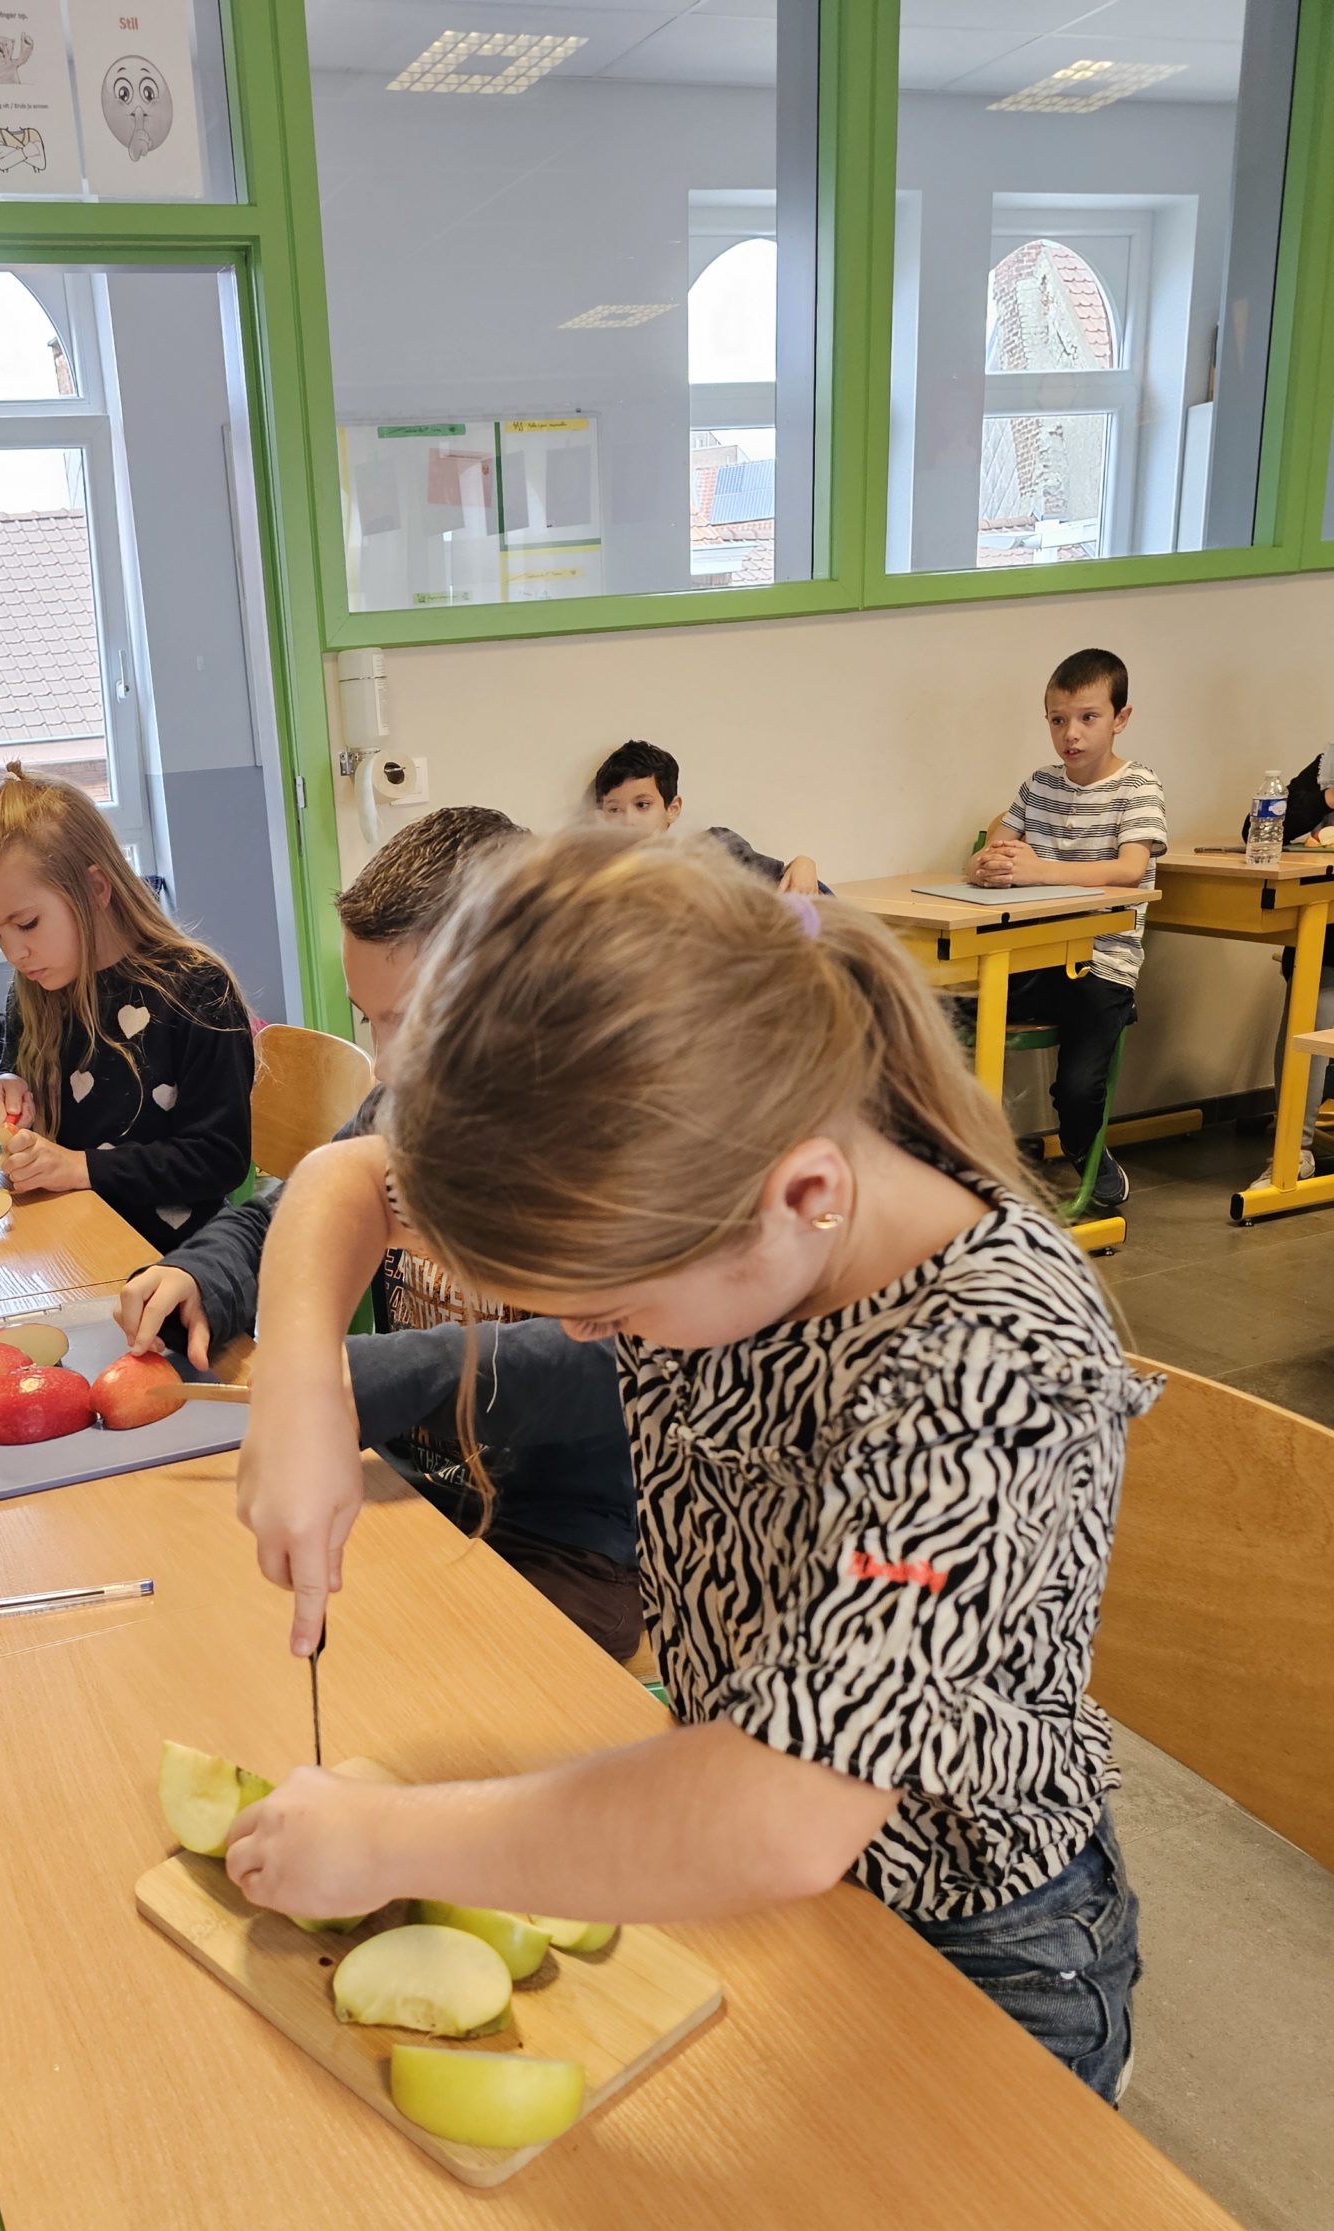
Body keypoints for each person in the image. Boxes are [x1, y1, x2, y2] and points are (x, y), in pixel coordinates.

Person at [227, 833, 1156, 2104]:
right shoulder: (718, 1168)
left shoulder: (993, 1359)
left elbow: (781, 1811)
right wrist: (303, 1385)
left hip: (975, 1939)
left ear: (804, 1197)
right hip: (752, 1863)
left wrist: (385, 1840)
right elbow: (351, 1178)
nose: (589, 1335)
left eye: (613, 1311)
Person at [118, 806, 642, 1658]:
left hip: (564, 1537)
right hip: (408, 1480)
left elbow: (621, 1357)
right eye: (372, 1020)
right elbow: (302, 1204)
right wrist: (205, 1275)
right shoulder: (409, 1098)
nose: (390, 1063)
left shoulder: (613, 1134)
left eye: (417, 1019)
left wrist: (380, 1374)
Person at [0, 764, 254, 1251]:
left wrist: (80, 1168)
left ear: (95, 889)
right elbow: (16, 1072)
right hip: (72, 1242)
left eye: (26, 924)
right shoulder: (36, 988)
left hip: (176, 1263)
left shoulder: (197, 990)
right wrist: (6, 1084)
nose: (14, 953)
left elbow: (219, 1159)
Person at [966, 647, 1166, 1212]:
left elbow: (1129, 870)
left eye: (1087, 718)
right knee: (936, 1015)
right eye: (1057, 720)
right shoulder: (1039, 785)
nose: (1070, 734)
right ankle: (965, 1158)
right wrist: (984, 866)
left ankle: (1086, 1151)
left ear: (1120, 718)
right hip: (1033, 957)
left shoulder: (1138, 786)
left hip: (1102, 965)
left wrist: (1039, 871)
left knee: (1076, 1088)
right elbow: (995, 843)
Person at [1240, 748, 1334, 1180]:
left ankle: (1295, 1145)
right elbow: (1255, 830)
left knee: (1318, 985)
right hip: (1325, 934)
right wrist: (1326, 799)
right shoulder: (1327, 766)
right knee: (1313, 978)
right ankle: (1294, 1144)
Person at [592, 738, 821, 895]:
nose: (628, 821)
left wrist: (803, 864)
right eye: (614, 809)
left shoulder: (717, 847)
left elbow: (797, 889)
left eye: (642, 805)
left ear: (672, 808)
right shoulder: (604, 885)